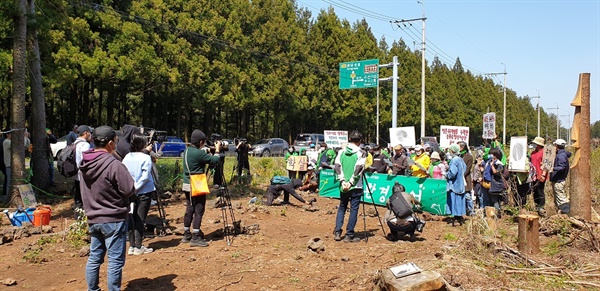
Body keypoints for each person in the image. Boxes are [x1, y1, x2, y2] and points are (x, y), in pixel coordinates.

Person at [79, 126, 135, 291]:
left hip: (93, 217)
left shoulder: (85, 162)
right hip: (113, 218)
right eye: (116, 141)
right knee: (115, 261)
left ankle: (93, 289)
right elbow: (129, 189)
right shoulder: (113, 164)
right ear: (110, 143)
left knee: (94, 257)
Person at [181, 130, 222, 247]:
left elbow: (200, 155)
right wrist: (217, 150)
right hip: (197, 184)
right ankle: (196, 237)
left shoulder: (187, 151)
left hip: (187, 184)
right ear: (200, 142)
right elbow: (214, 160)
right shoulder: (199, 154)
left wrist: (209, 150)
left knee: (190, 208)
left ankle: (186, 233)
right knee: (199, 209)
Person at [122, 134, 155, 256]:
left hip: (129, 191)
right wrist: (137, 187)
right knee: (140, 218)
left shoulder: (126, 157)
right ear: (143, 145)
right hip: (144, 192)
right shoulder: (145, 158)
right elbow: (145, 177)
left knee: (131, 217)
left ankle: (131, 245)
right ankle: (139, 246)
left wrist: (131, 188)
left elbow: (123, 172)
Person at [333, 130, 367, 243]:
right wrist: (351, 182)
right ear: (360, 141)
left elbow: (337, 166)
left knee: (342, 207)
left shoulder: (341, 151)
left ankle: (337, 232)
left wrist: (343, 181)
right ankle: (349, 234)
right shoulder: (361, 153)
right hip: (355, 186)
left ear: (349, 140)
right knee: (353, 210)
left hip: (343, 186)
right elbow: (358, 168)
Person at [445, 144, 467, 226]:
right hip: (460, 184)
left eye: (450, 150)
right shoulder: (461, 160)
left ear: (452, 151)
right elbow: (464, 169)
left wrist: (446, 174)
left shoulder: (454, 160)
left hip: (454, 185)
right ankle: (459, 218)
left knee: (454, 202)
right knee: (459, 202)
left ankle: (454, 219)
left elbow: (453, 173)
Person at [73, 126, 93, 214]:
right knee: (84, 198)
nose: (91, 135)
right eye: (90, 133)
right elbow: (86, 161)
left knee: (78, 198)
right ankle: (81, 219)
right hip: (83, 175)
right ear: (85, 133)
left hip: (75, 174)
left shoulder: (75, 143)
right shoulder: (85, 145)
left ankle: (77, 217)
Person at [550, 139, 571, 214]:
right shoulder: (561, 154)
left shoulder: (561, 155)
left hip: (559, 180)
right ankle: (561, 214)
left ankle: (567, 213)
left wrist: (553, 168)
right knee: (558, 199)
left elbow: (562, 167)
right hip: (558, 180)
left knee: (561, 200)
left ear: (556, 146)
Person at [530, 136, 547, 216]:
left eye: (536, 144)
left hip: (540, 175)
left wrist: (543, 175)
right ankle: (537, 206)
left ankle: (541, 207)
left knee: (540, 191)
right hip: (533, 175)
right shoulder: (533, 153)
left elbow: (546, 165)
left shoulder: (544, 153)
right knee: (534, 191)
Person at [487, 148, 505, 217]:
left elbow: (496, 173)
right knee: (494, 200)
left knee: (495, 200)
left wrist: (492, 166)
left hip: (496, 185)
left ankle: (497, 214)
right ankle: (496, 213)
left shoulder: (499, 164)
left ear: (495, 156)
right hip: (494, 184)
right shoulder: (492, 162)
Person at [458, 141, 474, 215]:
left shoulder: (469, 157)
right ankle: (464, 210)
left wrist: (461, 175)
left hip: (465, 178)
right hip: (459, 179)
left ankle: (471, 211)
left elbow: (467, 169)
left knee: (467, 196)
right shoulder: (459, 156)